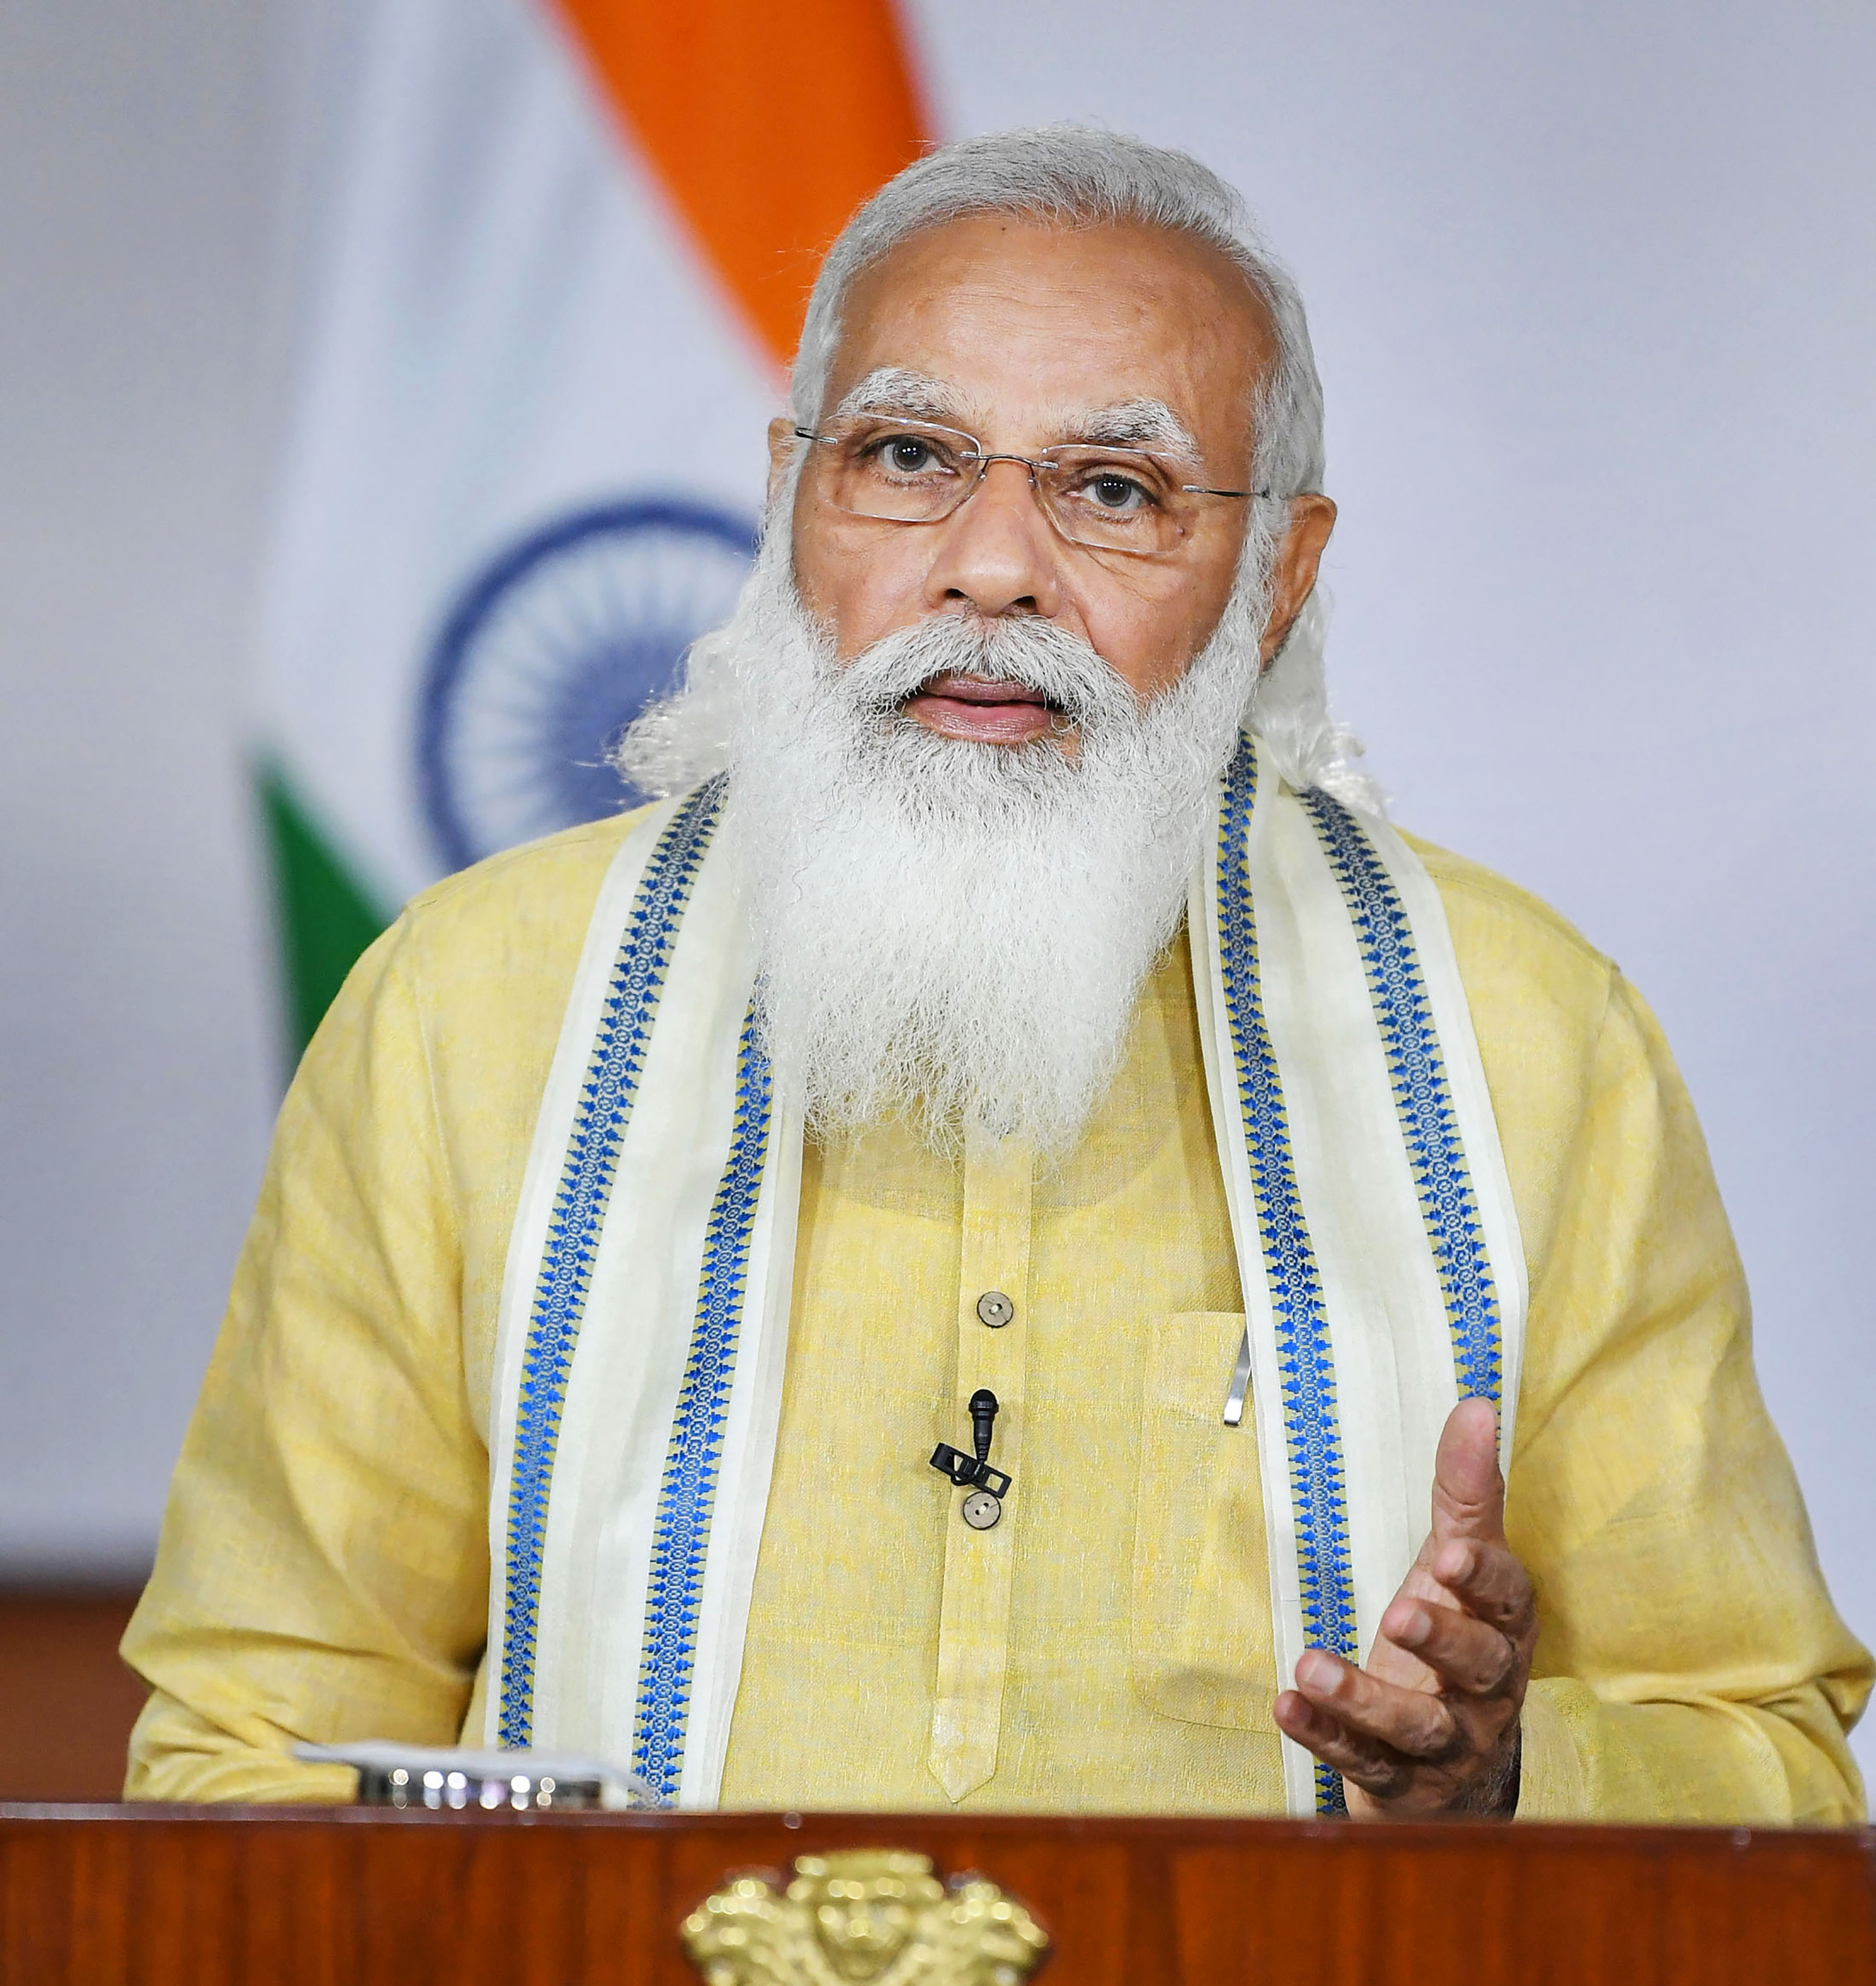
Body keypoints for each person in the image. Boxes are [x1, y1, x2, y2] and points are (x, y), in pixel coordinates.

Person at [123, 128, 1867, 1822]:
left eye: (1115, 490)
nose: (987, 567)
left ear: (1278, 577)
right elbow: (253, 1745)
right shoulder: (467, 1007)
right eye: (903, 458)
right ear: (788, 492)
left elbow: (1763, 1761)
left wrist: (1498, 1781)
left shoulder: (1518, 1043)